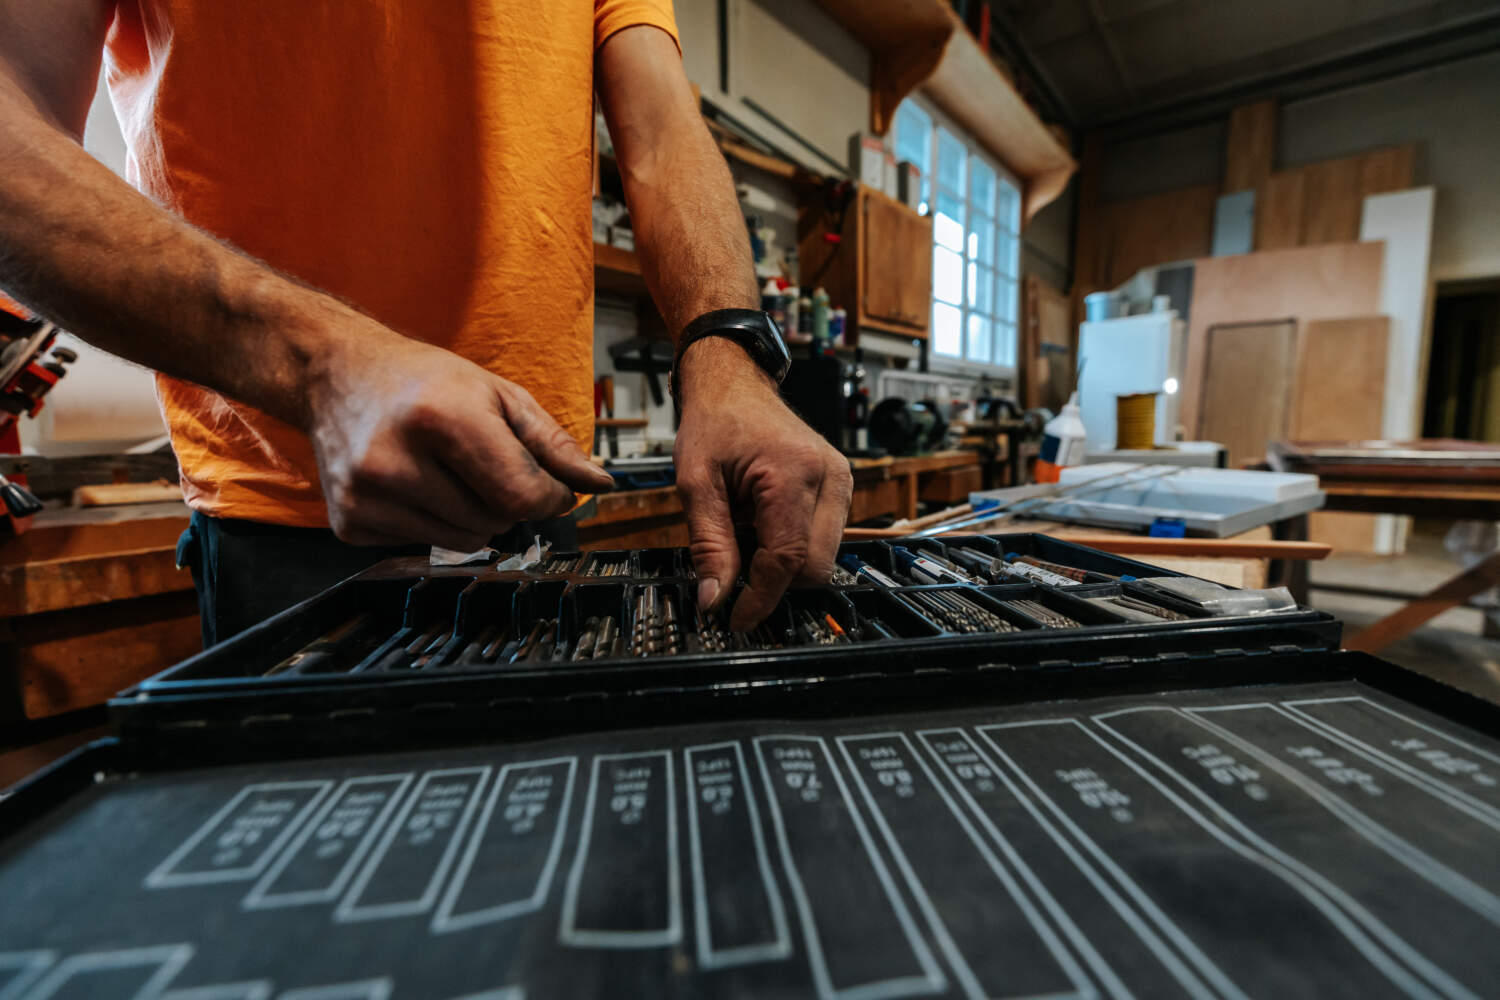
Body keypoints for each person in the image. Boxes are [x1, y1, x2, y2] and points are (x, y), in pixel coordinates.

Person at [0, 1, 853, 644]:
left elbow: (664, 130)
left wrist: (729, 351)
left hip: (541, 509)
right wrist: (319, 365)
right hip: (290, 526)